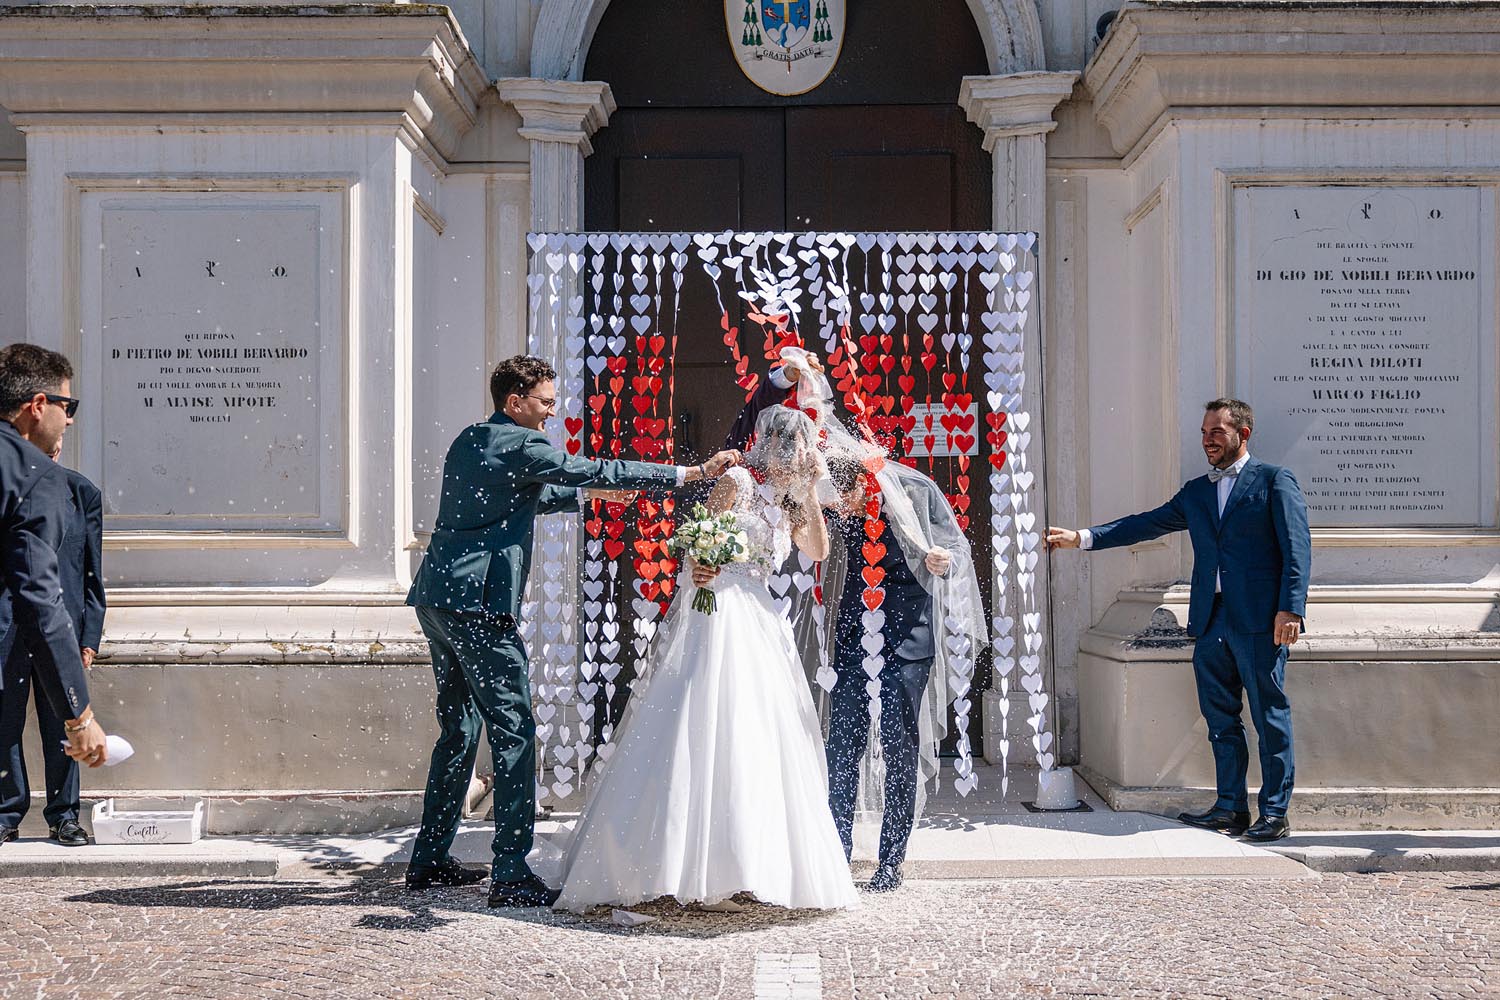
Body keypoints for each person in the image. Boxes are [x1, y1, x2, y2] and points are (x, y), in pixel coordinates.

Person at [405, 354, 738, 908]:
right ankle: (510, 872)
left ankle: (431, 858)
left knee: (459, 730)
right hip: (480, 605)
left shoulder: (474, 438)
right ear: (516, 402)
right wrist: (690, 476)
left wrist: (587, 495)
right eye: (545, 403)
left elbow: (526, 493)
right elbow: (588, 469)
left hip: (438, 598)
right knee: (515, 731)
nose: (551, 413)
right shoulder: (523, 443)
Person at [555, 405, 858, 914]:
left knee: (760, 732)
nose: (804, 457)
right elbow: (698, 540)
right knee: (708, 720)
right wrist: (700, 566)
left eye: (809, 450)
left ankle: (747, 865)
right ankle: (677, 861)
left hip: (761, 615)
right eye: (799, 448)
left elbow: (819, 551)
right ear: (777, 446)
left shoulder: (791, 503)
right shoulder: (737, 481)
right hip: (719, 609)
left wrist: (810, 492)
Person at [725, 348, 986, 893]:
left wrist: (938, 558)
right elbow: (787, 432)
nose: (839, 501)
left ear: (872, 481)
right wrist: (789, 379)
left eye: (845, 493)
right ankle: (837, 850)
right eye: (834, 491)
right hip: (851, 634)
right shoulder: (831, 495)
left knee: (898, 746)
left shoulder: (916, 490)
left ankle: (891, 860)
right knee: (841, 745)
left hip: (907, 638)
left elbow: (955, 549)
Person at [1046, 398, 1310, 843]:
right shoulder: (1197, 492)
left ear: (1243, 434)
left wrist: (1292, 609)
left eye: (1217, 432)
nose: (1208, 440)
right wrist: (1083, 538)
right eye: (1205, 432)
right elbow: (1147, 524)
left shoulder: (1274, 481)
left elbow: (1296, 548)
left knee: (1269, 717)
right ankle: (1230, 808)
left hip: (1260, 621)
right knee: (1220, 719)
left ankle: (1275, 812)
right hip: (1211, 619)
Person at [0, 343, 109, 851]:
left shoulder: (76, 489)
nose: (69, 421)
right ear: (38, 405)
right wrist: (81, 715)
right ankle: (9, 809)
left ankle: (63, 813)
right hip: (31, 623)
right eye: (69, 407)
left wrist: (88, 633)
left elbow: (88, 574)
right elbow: (41, 598)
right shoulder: (32, 477)